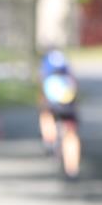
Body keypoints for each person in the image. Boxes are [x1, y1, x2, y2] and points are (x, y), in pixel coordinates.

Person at [37, 49, 81, 179]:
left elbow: (42, 87)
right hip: (68, 104)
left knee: (45, 114)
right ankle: (72, 167)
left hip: (52, 104)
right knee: (71, 133)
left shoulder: (46, 68)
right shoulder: (66, 68)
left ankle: (49, 141)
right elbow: (74, 86)